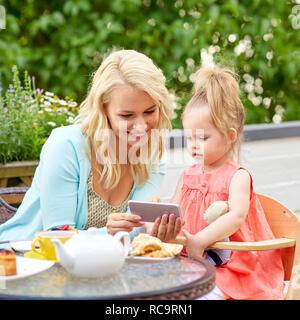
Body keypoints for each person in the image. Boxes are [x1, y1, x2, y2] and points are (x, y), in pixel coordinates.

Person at [0, 49, 182, 242]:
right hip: (22, 258)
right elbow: (57, 236)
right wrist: (109, 233)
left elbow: (137, 229)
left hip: (101, 264)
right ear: (103, 109)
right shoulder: (66, 146)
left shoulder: (152, 153)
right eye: (127, 115)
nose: (141, 126)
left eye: (149, 111)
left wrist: (153, 229)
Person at [150, 64, 285, 300]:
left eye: (202, 138)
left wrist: (200, 241)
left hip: (233, 270)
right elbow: (178, 214)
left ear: (230, 136)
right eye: (189, 137)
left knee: (196, 296)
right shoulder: (188, 175)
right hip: (190, 264)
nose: (193, 145)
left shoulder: (237, 176)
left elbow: (236, 217)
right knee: (152, 289)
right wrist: (160, 218)